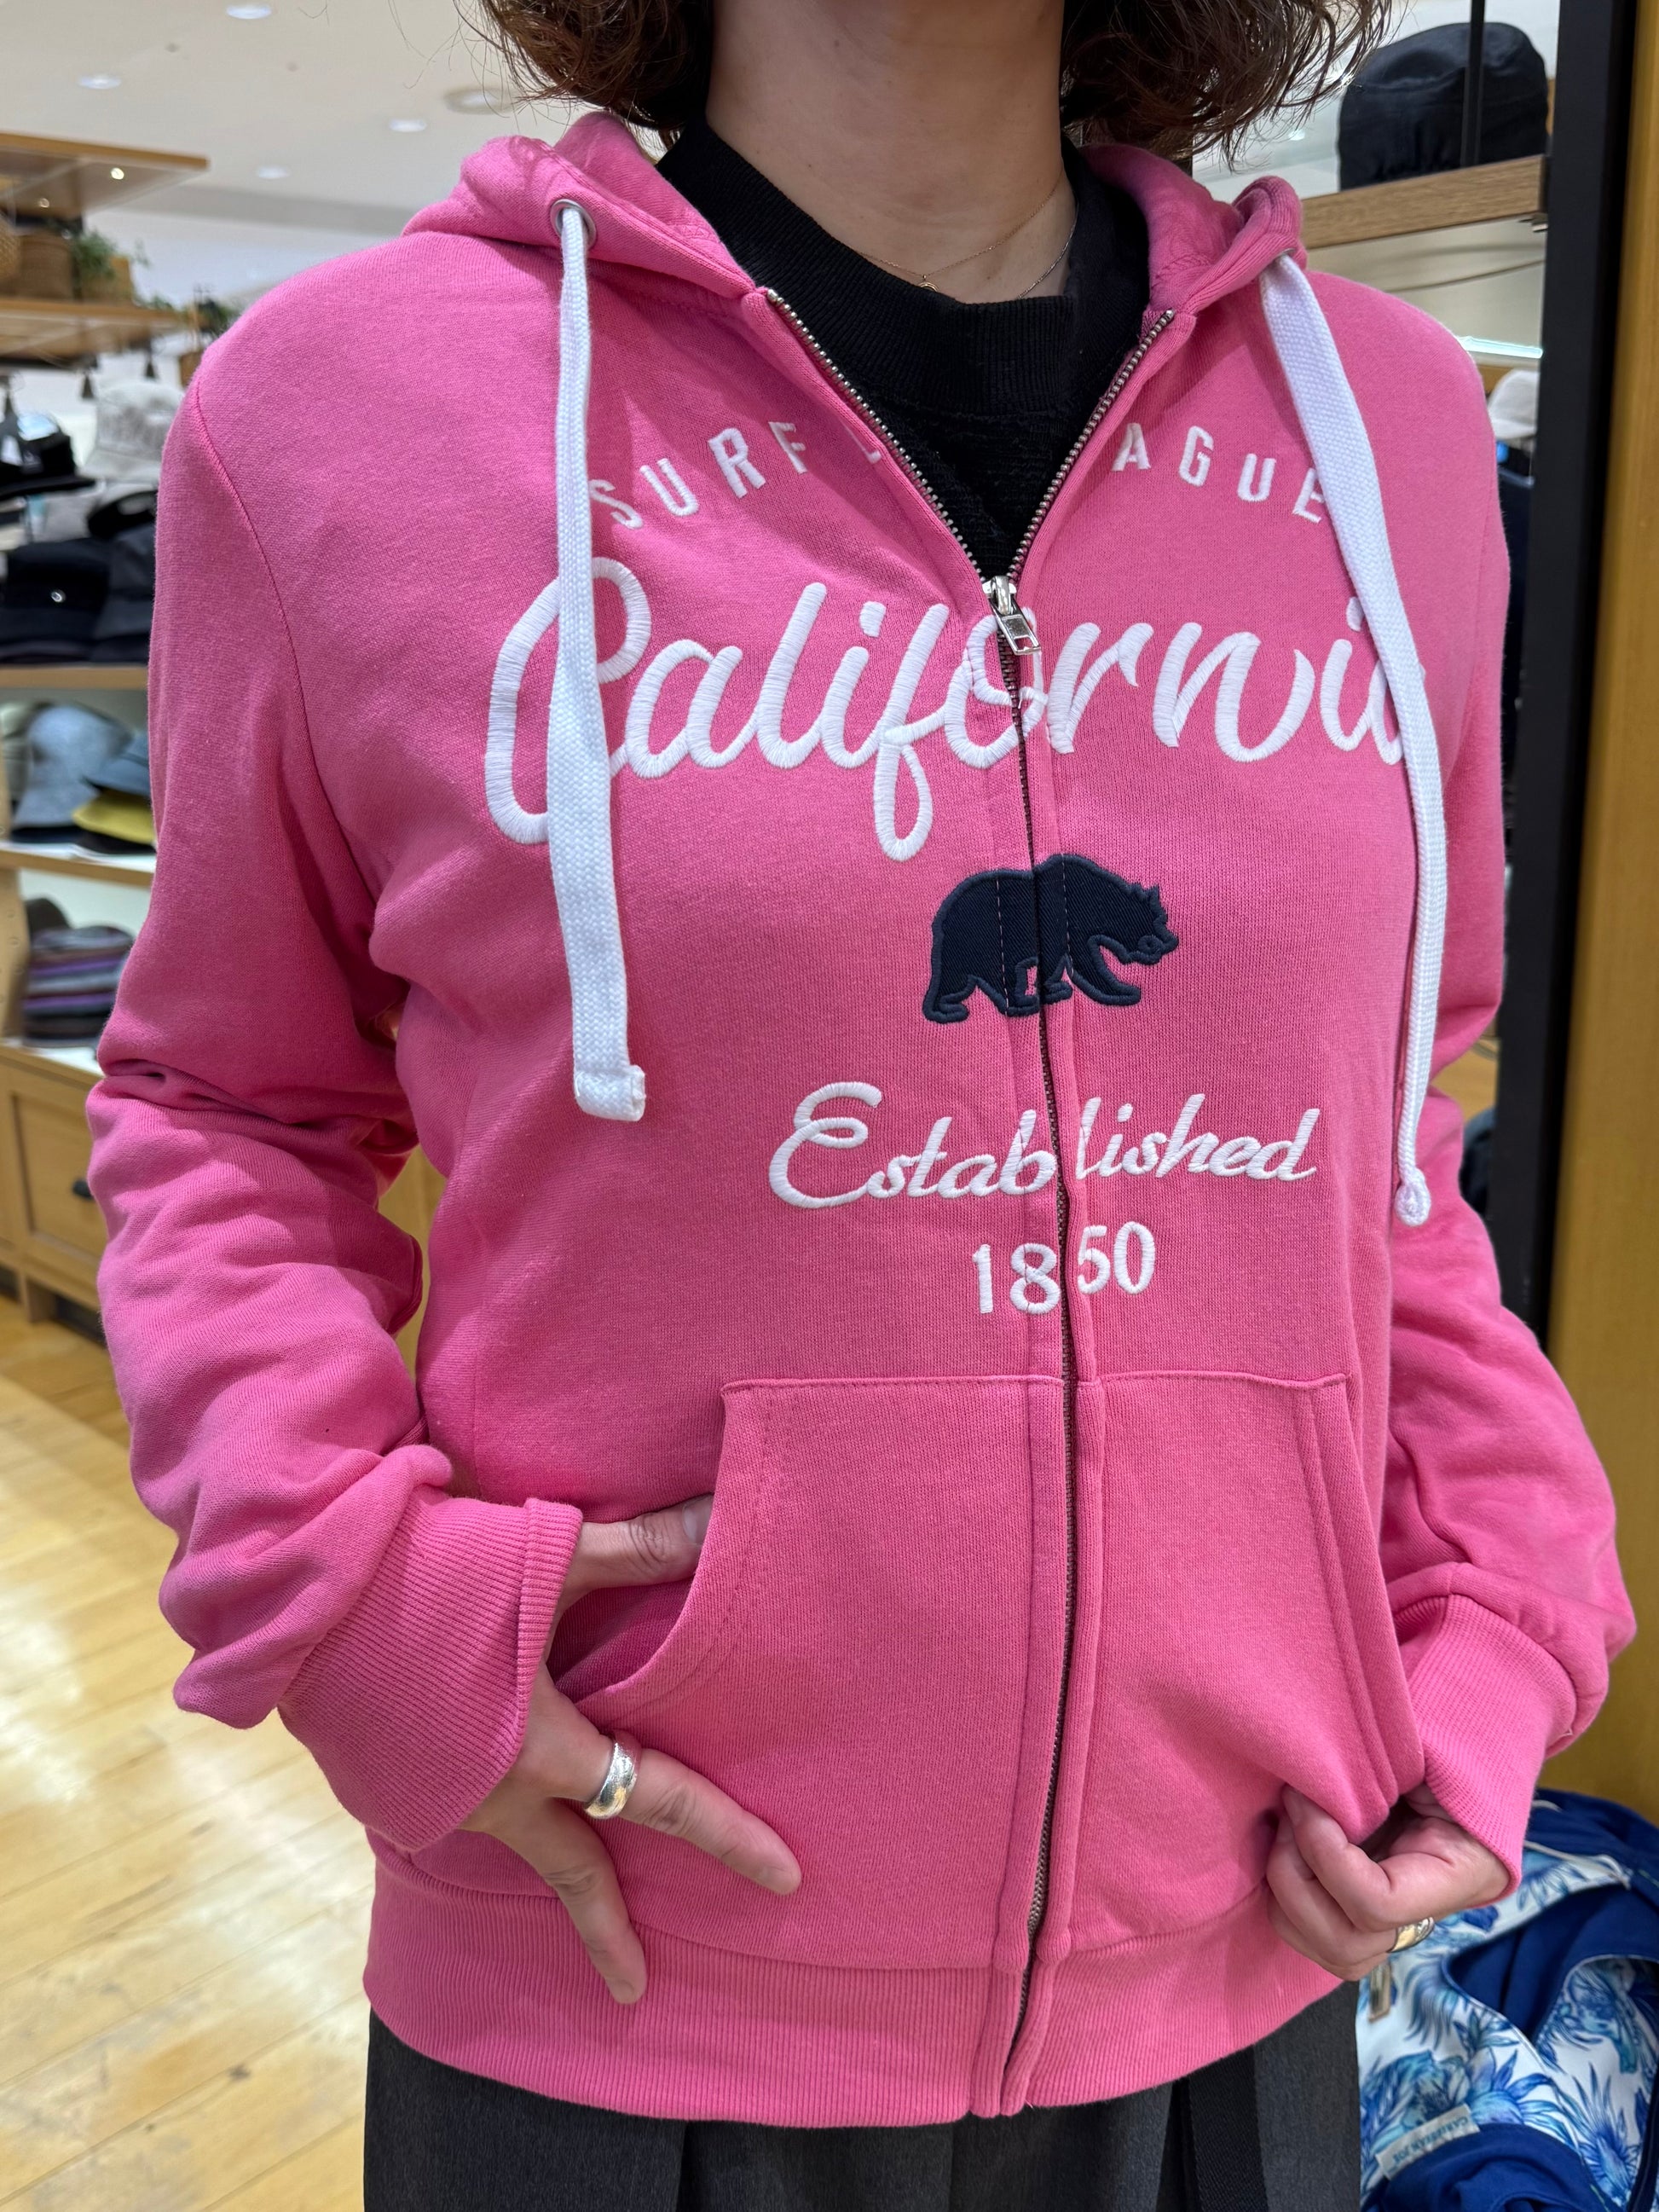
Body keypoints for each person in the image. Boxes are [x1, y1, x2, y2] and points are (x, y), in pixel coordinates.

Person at [86, 2, 1633, 2206]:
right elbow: (224, 1099)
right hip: (629, 1965)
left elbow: (1390, 1151)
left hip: (1242, 1952)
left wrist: (1498, 1609)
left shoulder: (1382, 428)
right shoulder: (337, 409)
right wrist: (351, 1604)